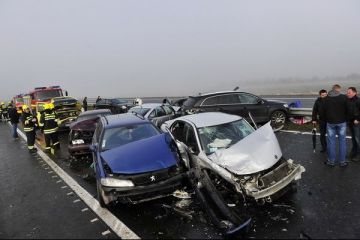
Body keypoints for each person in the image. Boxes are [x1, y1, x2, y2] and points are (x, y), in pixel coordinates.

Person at [323, 84, 349, 167]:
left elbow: (322, 111)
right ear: (338, 89)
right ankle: (342, 162)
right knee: (342, 142)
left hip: (330, 123)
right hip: (342, 122)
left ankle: (331, 161)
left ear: (332, 89)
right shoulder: (344, 97)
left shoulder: (326, 98)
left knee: (331, 142)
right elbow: (348, 109)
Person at [347, 87, 360, 161]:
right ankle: (354, 152)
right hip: (350, 122)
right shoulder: (348, 100)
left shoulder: (358, 100)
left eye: (349, 92)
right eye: (347, 92)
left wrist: (358, 119)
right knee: (353, 139)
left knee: (358, 139)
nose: (347, 94)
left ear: (355, 92)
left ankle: (358, 154)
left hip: (356, 123)